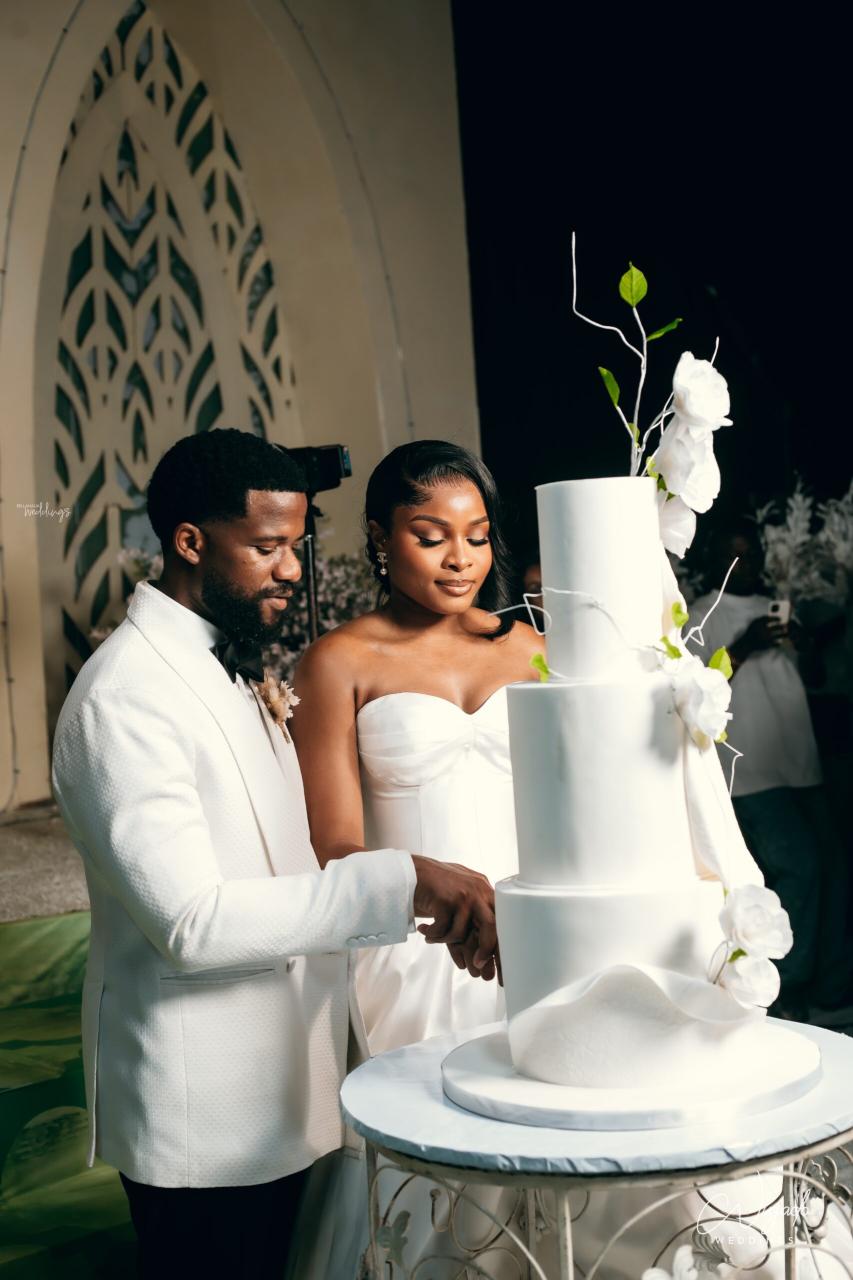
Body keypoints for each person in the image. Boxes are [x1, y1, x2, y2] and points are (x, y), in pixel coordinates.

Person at [50, 429, 500, 1280]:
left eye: (296, 545)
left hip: (289, 1090)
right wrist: (405, 878)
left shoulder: (228, 664)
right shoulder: (124, 697)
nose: (291, 569)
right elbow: (192, 922)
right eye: (266, 548)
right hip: (205, 1118)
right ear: (190, 542)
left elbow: (284, 861)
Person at [288, 440, 540, 1277]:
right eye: (431, 536)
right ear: (379, 536)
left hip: (536, 932)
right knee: (441, 1178)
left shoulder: (531, 647)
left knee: (549, 1140)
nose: (459, 557)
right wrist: (436, 901)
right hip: (413, 944)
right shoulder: (338, 662)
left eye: (477, 535)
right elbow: (333, 845)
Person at [687, 520, 852, 1019]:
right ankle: (782, 994)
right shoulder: (701, 613)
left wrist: (805, 646)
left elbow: (817, 678)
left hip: (801, 763)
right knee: (798, 868)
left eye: (752, 553)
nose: (746, 564)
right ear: (715, 559)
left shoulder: (777, 607)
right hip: (748, 773)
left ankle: (831, 992)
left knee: (835, 870)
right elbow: (694, 693)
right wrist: (745, 644)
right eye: (733, 555)